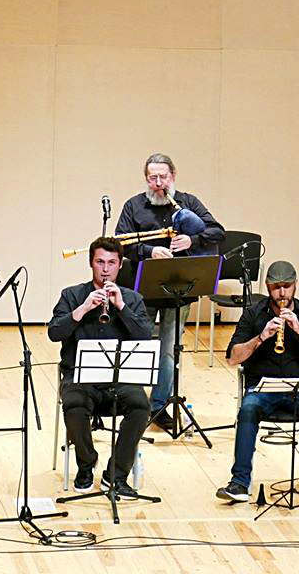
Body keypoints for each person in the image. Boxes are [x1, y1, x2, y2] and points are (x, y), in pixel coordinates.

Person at [116, 153, 225, 428]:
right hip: (143, 287)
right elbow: (120, 243)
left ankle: (159, 405)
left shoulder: (189, 202)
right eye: (152, 178)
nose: (158, 183)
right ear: (146, 179)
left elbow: (217, 231)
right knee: (136, 344)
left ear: (173, 176)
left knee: (168, 350)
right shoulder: (133, 206)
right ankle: (134, 403)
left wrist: (193, 238)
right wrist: (150, 251)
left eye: (163, 177)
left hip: (179, 288)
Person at [215, 261, 299, 505]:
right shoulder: (253, 314)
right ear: (267, 286)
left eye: (287, 287)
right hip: (262, 387)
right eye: (277, 287)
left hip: (298, 388)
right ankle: (239, 482)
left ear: (295, 285)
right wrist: (261, 336)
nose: (282, 294)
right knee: (247, 410)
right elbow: (232, 358)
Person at [48, 237, 154, 495]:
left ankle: (115, 474)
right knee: (73, 405)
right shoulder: (72, 295)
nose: (105, 269)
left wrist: (121, 306)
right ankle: (86, 464)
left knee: (141, 406)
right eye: (100, 262)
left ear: (119, 266)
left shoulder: (132, 298)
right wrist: (82, 310)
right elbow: (54, 332)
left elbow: (144, 336)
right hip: (80, 377)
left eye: (111, 263)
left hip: (120, 377)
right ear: (90, 263)